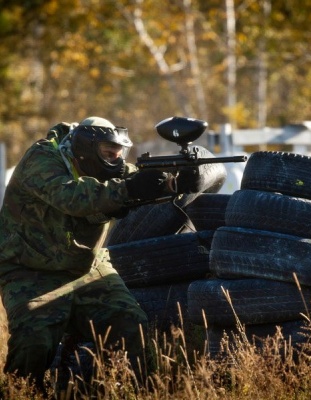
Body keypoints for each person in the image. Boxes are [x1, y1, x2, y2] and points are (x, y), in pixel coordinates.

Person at [0, 116, 201, 392]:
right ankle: (18, 393)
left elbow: (132, 179)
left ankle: (133, 391)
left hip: (87, 266)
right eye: (108, 155)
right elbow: (72, 197)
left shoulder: (104, 165)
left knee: (132, 325)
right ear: (86, 149)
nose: (115, 162)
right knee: (33, 343)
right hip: (31, 270)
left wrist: (173, 183)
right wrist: (130, 188)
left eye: (118, 155)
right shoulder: (42, 159)